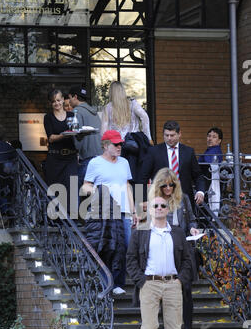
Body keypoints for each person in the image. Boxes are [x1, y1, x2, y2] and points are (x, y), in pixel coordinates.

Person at [126, 196, 192, 329]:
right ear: (150, 209)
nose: (160, 208)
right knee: (150, 328)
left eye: (163, 205)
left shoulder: (178, 233)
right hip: (150, 284)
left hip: (173, 284)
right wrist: (141, 280)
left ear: (168, 209)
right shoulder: (141, 232)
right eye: (155, 205)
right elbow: (130, 259)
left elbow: (188, 261)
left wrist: (180, 280)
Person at [148, 168, 200, 329]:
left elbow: (192, 219)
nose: (168, 188)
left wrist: (193, 228)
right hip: (163, 249)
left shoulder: (183, 199)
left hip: (183, 248)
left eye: (172, 185)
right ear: (159, 186)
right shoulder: (155, 202)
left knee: (186, 292)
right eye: (165, 185)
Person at [81, 130, 138, 295]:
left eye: (120, 144)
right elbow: (86, 185)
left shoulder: (124, 162)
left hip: (124, 211)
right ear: (105, 145)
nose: (119, 147)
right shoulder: (95, 163)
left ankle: (118, 283)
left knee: (125, 247)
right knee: (106, 247)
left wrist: (133, 211)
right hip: (103, 212)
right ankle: (107, 283)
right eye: (116, 144)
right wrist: (98, 193)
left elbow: (127, 186)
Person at [140, 120, 205, 210]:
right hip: (160, 199)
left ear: (179, 134)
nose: (169, 138)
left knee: (183, 224)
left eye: (172, 135)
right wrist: (142, 199)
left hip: (183, 199)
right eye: (166, 135)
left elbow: (198, 175)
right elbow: (143, 176)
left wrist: (200, 191)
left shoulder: (188, 152)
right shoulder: (153, 152)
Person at [43, 89, 78, 215]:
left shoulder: (72, 115)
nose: (56, 103)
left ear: (63, 99)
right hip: (55, 158)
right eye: (53, 102)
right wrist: (64, 135)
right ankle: (54, 217)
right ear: (50, 103)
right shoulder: (48, 117)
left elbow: (76, 133)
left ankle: (71, 217)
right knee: (55, 187)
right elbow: (51, 137)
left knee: (72, 186)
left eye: (58, 100)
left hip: (71, 157)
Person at [68, 85, 102, 190]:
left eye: (69, 98)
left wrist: (77, 152)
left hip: (87, 157)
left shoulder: (77, 112)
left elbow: (76, 135)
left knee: (79, 190)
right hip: (100, 155)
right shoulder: (94, 113)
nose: (69, 101)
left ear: (75, 97)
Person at [198, 127, 223, 216]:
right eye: (209, 136)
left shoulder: (215, 150)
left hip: (208, 182)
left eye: (214, 137)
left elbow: (208, 162)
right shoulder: (209, 150)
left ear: (219, 140)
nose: (210, 139)